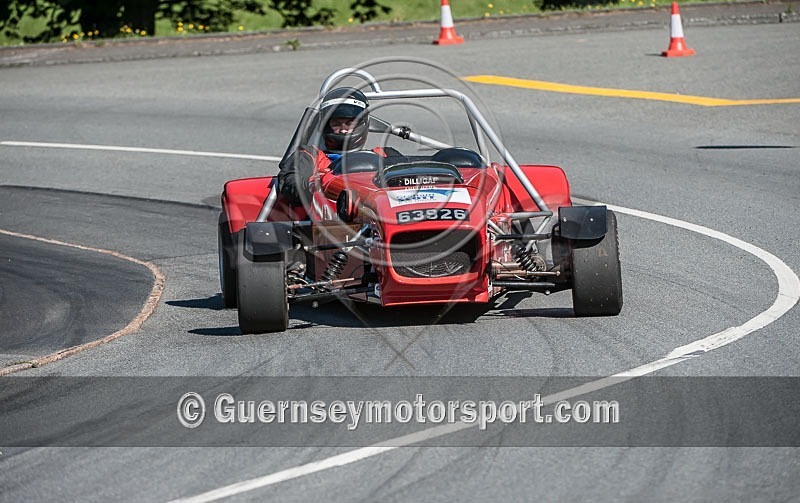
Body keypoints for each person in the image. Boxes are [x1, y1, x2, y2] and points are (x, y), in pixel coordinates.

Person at [278, 87, 371, 205]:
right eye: (336, 124)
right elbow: (292, 185)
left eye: (349, 123)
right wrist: (317, 184)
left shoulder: (380, 155)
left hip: (377, 215)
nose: (343, 130)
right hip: (327, 217)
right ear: (326, 126)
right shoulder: (309, 156)